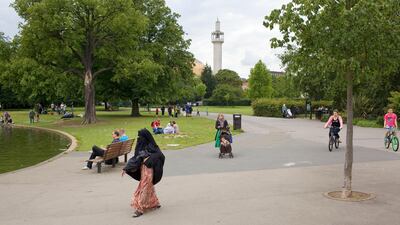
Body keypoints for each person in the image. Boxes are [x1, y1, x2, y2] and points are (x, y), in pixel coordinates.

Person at [122, 129, 165, 218]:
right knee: (148, 187)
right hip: (144, 170)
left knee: (144, 187)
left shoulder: (152, 146)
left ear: (145, 137)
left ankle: (139, 208)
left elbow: (160, 155)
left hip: (150, 171)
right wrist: (127, 168)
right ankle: (154, 203)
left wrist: (149, 160)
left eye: (140, 137)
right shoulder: (142, 145)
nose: (139, 139)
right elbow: (136, 158)